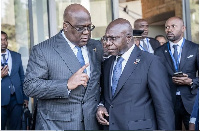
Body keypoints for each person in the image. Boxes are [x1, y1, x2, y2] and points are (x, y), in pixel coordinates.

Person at [23, 4, 103, 130]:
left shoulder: (96, 47)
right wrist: (66, 84)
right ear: (65, 26)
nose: (87, 32)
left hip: (92, 124)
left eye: (89, 27)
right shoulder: (43, 50)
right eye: (80, 28)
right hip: (57, 125)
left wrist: (101, 104)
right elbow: (30, 86)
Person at [96, 18, 174, 130]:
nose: (107, 43)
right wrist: (101, 105)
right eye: (106, 38)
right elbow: (106, 96)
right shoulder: (107, 63)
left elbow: (163, 107)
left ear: (128, 38)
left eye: (113, 39)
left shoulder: (151, 62)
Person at [154, 17, 199, 130]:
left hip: (190, 101)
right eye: (167, 27)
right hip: (168, 103)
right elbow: (156, 78)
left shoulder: (195, 48)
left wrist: (191, 81)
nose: (169, 29)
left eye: (173, 26)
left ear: (183, 28)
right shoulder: (159, 52)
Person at [1, 31, 29, 130]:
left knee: (16, 128)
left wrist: (25, 97)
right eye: (0, 40)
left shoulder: (16, 56)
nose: (3, 42)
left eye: (5, 39)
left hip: (16, 99)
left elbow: (22, 77)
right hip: (1, 100)